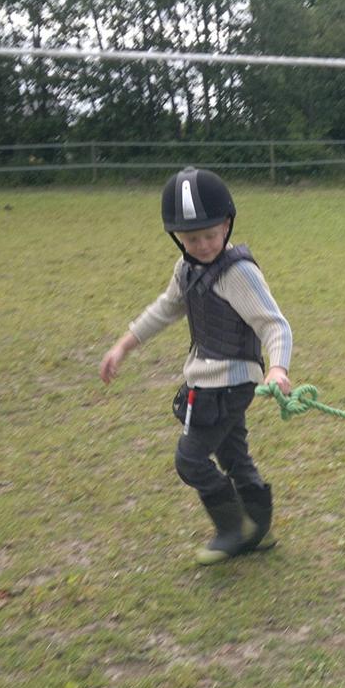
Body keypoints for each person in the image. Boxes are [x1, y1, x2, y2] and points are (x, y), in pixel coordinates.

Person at [100, 166, 293, 565]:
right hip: (205, 381)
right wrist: (124, 344)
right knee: (233, 455)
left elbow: (273, 323)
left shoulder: (239, 273)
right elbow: (166, 307)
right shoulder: (186, 269)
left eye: (210, 235)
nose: (203, 245)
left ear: (227, 226)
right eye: (191, 238)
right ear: (177, 238)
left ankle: (232, 528)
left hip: (230, 384)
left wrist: (278, 368)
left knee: (189, 460)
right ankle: (259, 527)